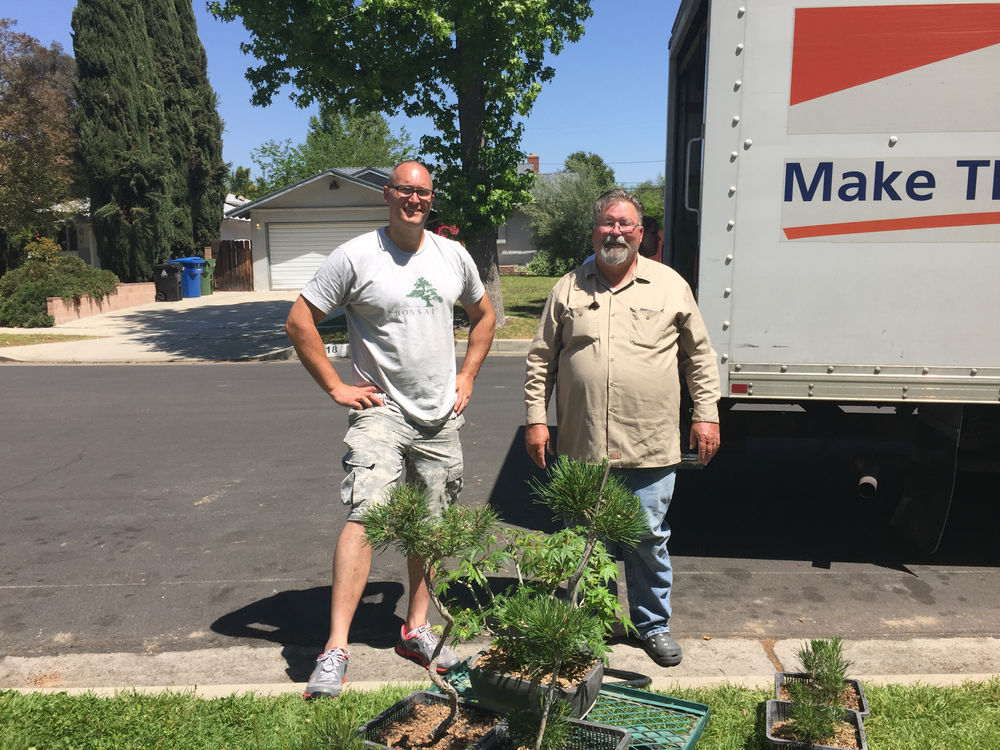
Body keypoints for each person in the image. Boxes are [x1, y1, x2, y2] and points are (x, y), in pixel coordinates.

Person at [286, 160, 496, 698]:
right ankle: (335, 648)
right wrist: (337, 387)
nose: (414, 200)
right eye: (405, 190)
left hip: (439, 415)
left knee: (430, 524)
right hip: (381, 410)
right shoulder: (357, 255)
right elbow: (300, 319)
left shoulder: (454, 256)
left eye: (423, 192)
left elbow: (484, 315)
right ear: (388, 194)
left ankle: (416, 629)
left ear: (431, 199)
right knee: (367, 515)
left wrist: (467, 375)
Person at [523, 188, 720, 667]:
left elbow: (699, 356)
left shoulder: (670, 285)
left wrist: (706, 413)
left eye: (625, 224)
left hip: (650, 444)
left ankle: (652, 625)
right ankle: (592, 623)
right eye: (607, 223)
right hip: (582, 443)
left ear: (640, 232)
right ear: (593, 231)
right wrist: (535, 419)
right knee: (585, 539)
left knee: (649, 538)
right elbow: (539, 360)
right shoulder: (567, 288)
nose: (616, 231)